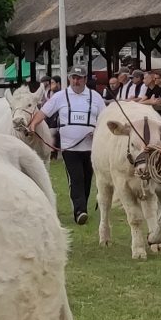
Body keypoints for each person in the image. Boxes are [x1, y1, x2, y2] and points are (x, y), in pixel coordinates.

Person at [42, 68, 102, 224]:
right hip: (70, 148)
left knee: (87, 179)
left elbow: (104, 118)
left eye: (79, 78)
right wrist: (32, 125)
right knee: (76, 178)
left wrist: (98, 130)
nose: (76, 81)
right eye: (73, 78)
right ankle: (79, 211)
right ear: (69, 79)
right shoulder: (60, 96)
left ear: (85, 79)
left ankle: (83, 208)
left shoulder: (95, 97)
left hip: (91, 147)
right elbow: (43, 113)